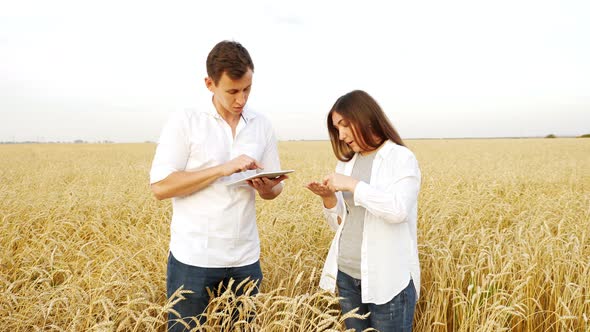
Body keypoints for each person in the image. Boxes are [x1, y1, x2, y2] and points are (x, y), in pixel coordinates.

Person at [149, 40, 287, 331]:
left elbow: (274, 191)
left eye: (247, 89)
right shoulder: (185, 121)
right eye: (232, 91)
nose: (241, 99)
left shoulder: (261, 124)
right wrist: (224, 168)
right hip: (193, 259)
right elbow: (160, 187)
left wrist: (266, 188)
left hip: (245, 258)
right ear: (209, 83)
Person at [306, 90, 421, 331]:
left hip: (388, 280)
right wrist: (328, 198)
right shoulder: (347, 163)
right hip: (347, 275)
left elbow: (398, 210)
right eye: (337, 128)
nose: (341, 134)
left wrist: (352, 185)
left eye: (345, 124)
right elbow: (342, 224)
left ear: (366, 117)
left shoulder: (401, 158)